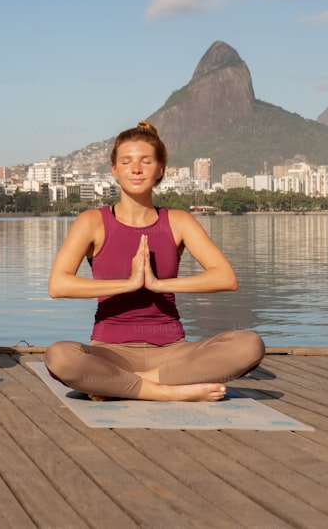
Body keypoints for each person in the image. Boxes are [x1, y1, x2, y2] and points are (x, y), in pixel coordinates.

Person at [44, 121, 264, 402]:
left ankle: (124, 386)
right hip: (110, 353)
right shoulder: (92, 222)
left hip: (173, 352)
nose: (135, 169)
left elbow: (225, 278)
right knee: (60, 356)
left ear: (160, 170)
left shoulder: (178, 221)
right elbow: (58, 285)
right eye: (126, 161)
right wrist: (130, 283)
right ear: (114, 169)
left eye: (146, 161)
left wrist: (159, 284)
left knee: (249, 345)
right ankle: (168, 393)